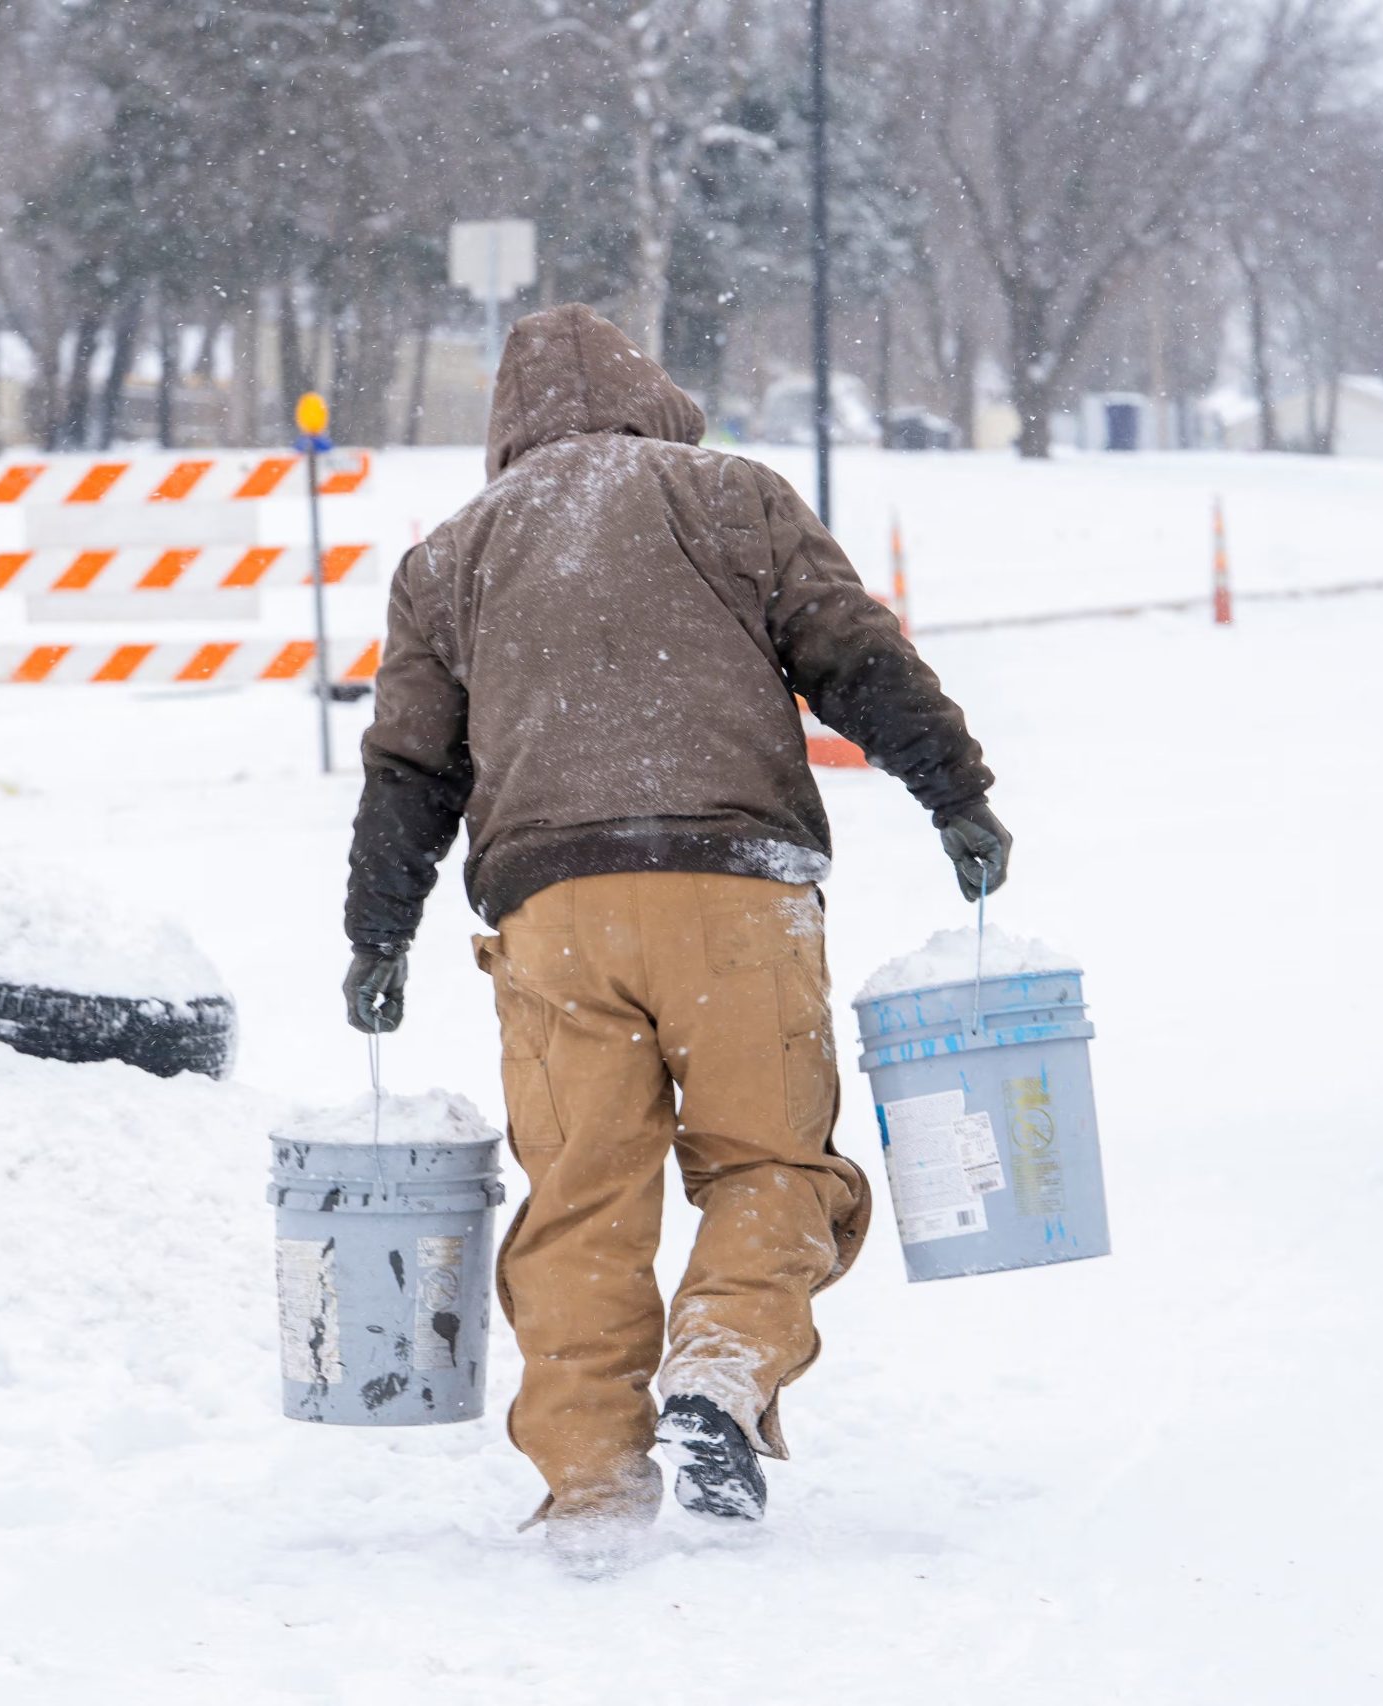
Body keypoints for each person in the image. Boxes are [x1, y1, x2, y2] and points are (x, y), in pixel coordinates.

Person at [340, 303, 1006, 1563]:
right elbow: (856, 659)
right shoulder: (731, 497)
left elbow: (408, 770)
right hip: (733, 892)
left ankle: (590, 1476)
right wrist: (955, 794)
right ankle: (721, 1361)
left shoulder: (448, 556)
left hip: (550, 918)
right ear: (656, 394)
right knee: (772, 1164)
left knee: (582, 1197)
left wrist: (378, 933)